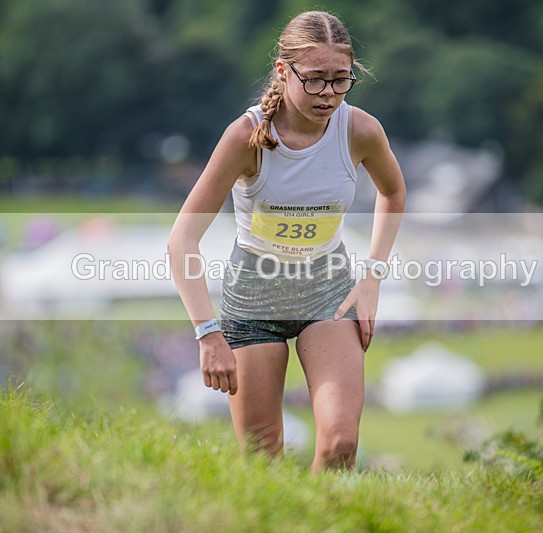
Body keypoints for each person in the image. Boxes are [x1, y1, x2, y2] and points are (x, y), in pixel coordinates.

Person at [168, 10, 405, 472]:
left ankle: (323, 511)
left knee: (341, 444)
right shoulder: (245, 137)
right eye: (314, 79)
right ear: (283, 70)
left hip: (328, 292)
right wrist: (207, 333)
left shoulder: (359, 130)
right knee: (264, 462)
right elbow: (182, 241)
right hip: (254, 300)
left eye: (341, 79)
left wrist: (372, 277)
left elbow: (393, 192)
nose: (328, 94)